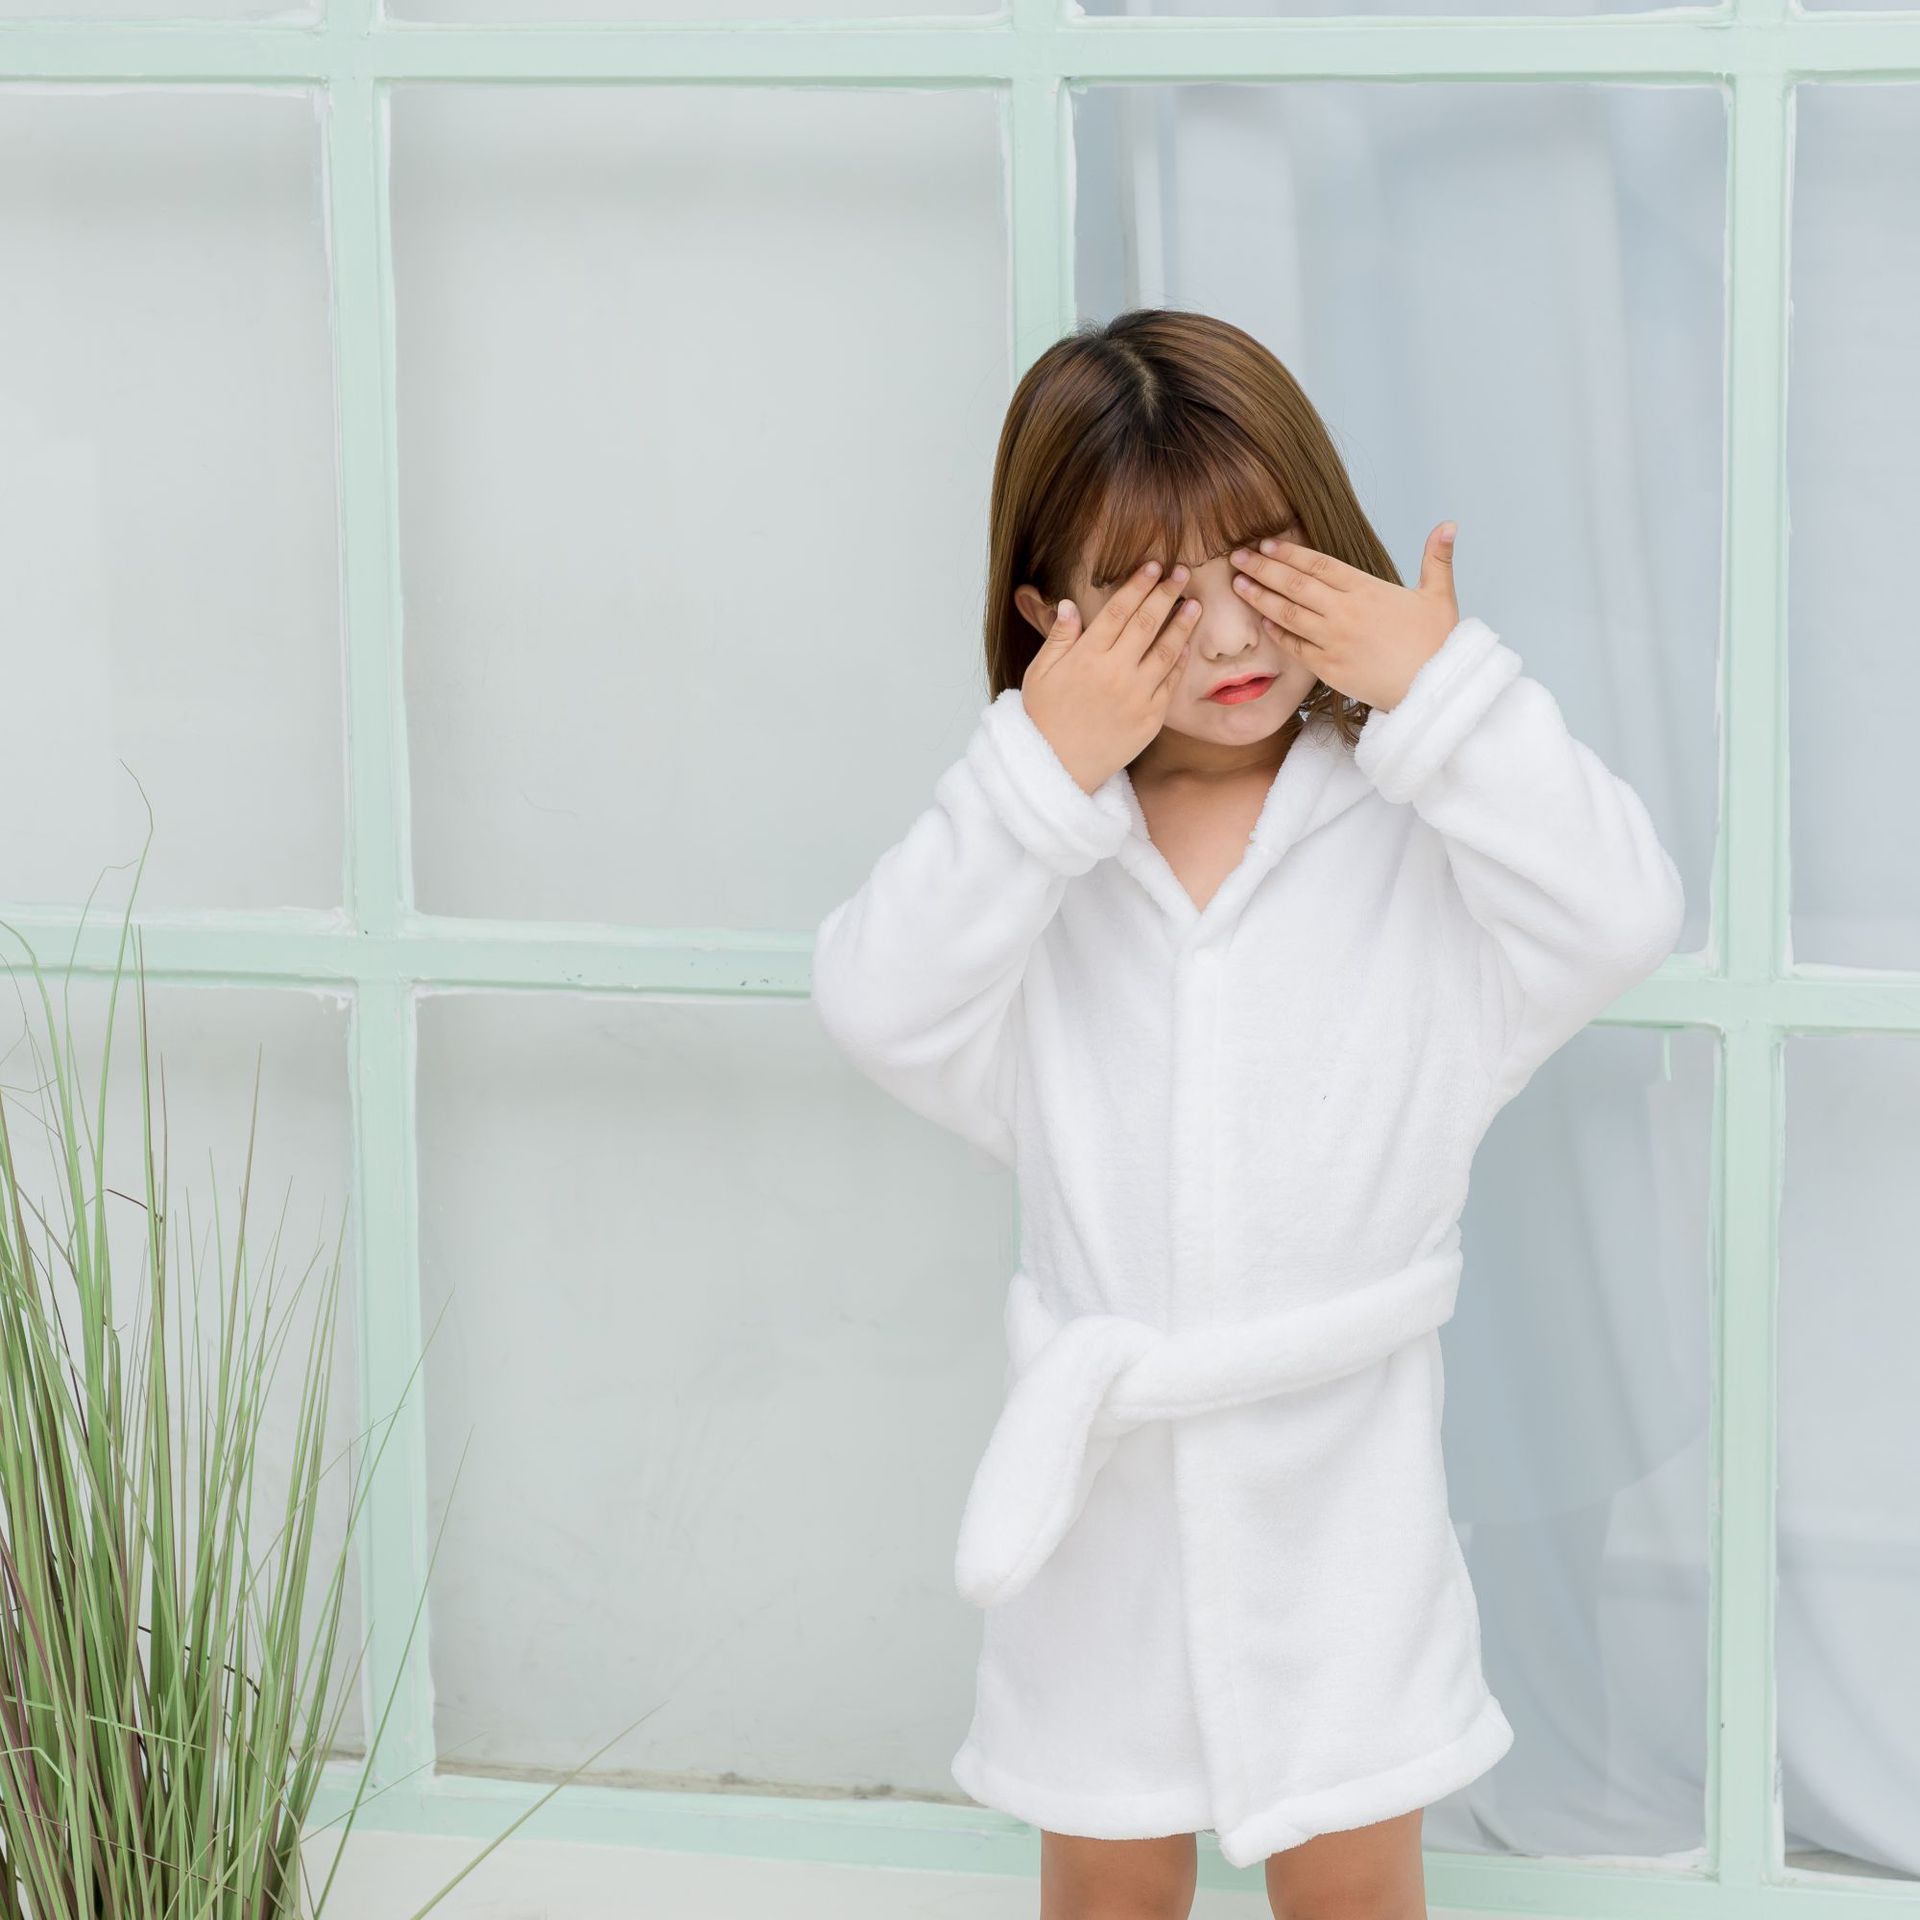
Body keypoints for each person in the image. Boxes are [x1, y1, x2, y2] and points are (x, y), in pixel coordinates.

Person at [808, 308, 1685, 1920]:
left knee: (1354, 1887)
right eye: (1155, 592)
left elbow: (1622, 912)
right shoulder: (1043, 866)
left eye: (1262, 564)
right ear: (1049, 618)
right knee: (1106, 1885)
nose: (1227, 632)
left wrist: (1444, 696)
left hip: (1343, 1496)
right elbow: (875, 998)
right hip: (1108, 1503)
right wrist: (1038, 770)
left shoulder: (1421, 838)